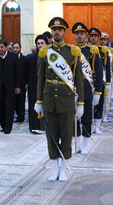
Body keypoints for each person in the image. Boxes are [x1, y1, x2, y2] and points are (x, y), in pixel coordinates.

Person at [35, 17, 84, 182]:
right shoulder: (44, 52)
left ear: (64, 32)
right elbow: (40, 78)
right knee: (51, 136)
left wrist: (81, 103)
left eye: (60, 30)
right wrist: (39, 101)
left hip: (67, 100)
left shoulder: (73, 52)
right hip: (49, 99)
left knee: (66, 135)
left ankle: (63, 170)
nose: (56, 32)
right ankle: (54, 169)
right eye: (54, 30)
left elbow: (78, 80)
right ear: (51, 32)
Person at [71, 22, 102, 154]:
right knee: (73, 119)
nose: (79, 36)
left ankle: (84, 145)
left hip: (87, 90)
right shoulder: (70, 50)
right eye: (77, 34)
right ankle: (77, 144)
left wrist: (98, 93)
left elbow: (99, 73)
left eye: (82, 34)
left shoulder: (92, 51)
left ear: (86, 36)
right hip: (73, 91)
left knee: (86, 119)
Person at [0, 40, 21, 134]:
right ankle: (3, 126)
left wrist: (18, 86)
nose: (0, 49)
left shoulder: (13, 57)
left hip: (10, 87)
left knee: (9, 108)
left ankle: (8, 127)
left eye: (2, 47)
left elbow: (18, 73)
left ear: (7, 47)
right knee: (0, 108)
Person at [90, 28, 110, 133]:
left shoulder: (103, 50)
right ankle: (89, 125)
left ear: (98, 38)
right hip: (87, 80)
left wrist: (108, 83)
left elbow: (107, 68)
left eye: (96, 36)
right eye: (92, 36)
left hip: (99, 80)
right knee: (88, 104)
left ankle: (97, 126)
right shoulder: (84, 49)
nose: (94, 38)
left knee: (99, 103)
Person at [26, 35, 47, 134]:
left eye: (42, 43)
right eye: (38, 43)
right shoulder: (31, 58)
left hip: (47, 86)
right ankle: (35, 126)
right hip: (34, 86)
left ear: (46, 44)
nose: (40, 45)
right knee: (34, 105)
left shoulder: (51, 56)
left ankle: (46, 126)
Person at [12, 42, 27, 123]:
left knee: (21, 101)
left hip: (22, 84)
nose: (15, 49)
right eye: (14, 48)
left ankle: (21, 116)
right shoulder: (10, 58)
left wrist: (26, 83)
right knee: (13, 101)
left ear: (20, 49)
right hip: (12, 83)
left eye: (17, 48)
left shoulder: (24, 59)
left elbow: (26, 71)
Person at [100, 32, 111, 123]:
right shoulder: (97, 50)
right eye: (101, 39)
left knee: (108, 98)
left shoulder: (111, 52)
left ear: (108, 41)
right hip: (100, 77)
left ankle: (105, 115)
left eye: (105, 40)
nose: (103, 41)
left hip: (109, 77)